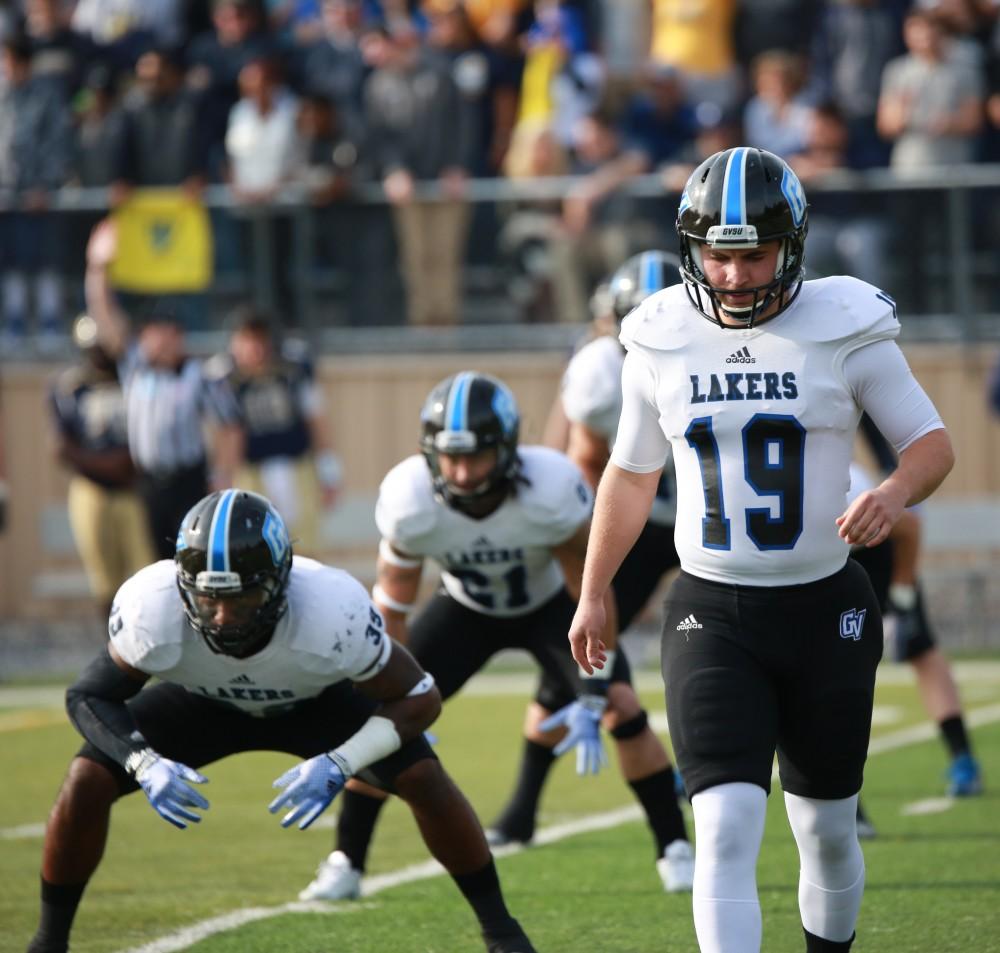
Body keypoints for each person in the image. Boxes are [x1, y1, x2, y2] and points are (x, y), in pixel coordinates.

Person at [567, 146, 954, 953]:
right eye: (719, 253)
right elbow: (630, 476)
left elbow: (930, 443)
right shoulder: (659, 333)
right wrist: (595, 586)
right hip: (713, 609)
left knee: (827, 832)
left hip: (825, 607)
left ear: (792, 245)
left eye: (752, 255)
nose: (735, 275)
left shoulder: (845, 323)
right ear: (690, 249)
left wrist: (889, 493)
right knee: (726, 824)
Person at [23, 489, 538, 953]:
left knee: (423, 776)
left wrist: (343, 762)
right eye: (209, 598)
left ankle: (501, 932)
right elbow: (87, 695)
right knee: (87, 778)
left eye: (242, 597)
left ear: (279, 582)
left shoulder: (329, 611)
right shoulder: (152, 608)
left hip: (313, 704)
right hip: (203, 704)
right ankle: (49, 942)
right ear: (183, 586)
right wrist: (141, 761)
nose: (223, 617)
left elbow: (420, 697)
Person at [300, 371, 694, 903]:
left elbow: (591, 586)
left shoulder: (550, 489)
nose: (461, 473)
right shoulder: (410, 497)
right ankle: (345, 860)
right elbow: (391, 604)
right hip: (466, 609)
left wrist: (596, 682)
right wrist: (388, 694)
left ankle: (674, 846)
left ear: (507, 451)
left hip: (551, 606)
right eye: (449, 458)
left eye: (475, 457)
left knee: (620, 703)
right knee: (384, 722)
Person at [488, 250, 692, 843]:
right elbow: (583, 467)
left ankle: (832, 793)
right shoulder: (600, 369)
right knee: (582, 643)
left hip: (713, 516)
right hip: (645, 519)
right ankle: (523, 809)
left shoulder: (718, 347)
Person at [84, 218, 243, 559]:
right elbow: (106, 318)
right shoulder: (136, 367)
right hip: (148, 479)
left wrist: (223, 475)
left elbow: (229, 425)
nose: (162, 340)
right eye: (155, 331)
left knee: (193, 555)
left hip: (188, 477)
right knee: (156, 560)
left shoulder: (200, 375)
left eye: (169, 332)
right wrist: (98, 268)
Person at [846, 462, 982, 813]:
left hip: (879, 557)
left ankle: (963, 757)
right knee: (820, 674)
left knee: (920, 649)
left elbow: (909, 530)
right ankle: (843, 800)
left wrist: (902, 597)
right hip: (824, 573)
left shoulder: (840, 493)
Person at [206, 309, 343, 556]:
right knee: (254, 547)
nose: (254, 350)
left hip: (296, 466)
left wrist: (329, 471)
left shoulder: (294, 366)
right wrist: (222, 477)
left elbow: (316, 418)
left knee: (305, 547)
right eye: (246, 340)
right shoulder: (223, 376)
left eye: (259, 340)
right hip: (252, 471)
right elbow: (228, 432)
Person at [49, 314, 156, 620]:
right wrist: (110, 464)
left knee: (149, 574)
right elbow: (61, 447)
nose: (100, 354)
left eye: (104, 346)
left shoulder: (137, 377)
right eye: (93, 348)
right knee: (104, 580)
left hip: (137, 488)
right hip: (92, 487)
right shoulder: (70, 387)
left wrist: (131, 462)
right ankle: (113, 646)